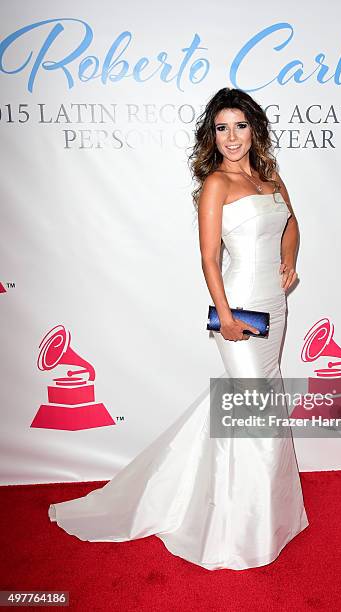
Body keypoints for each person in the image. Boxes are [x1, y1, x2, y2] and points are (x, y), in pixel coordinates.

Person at [48, 87, 309, 571]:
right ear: (213, 135)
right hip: (240, 306)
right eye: (221, 127)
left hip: (275, 305)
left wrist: (288, 261)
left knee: (259, 405)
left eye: (240, 125)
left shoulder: (270, 177)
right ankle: (239, 529)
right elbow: (209, 257)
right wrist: (225, 314)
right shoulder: (216, 184)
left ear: (255, 129)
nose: (232, 137)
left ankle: (264, 515)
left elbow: (291, 225)